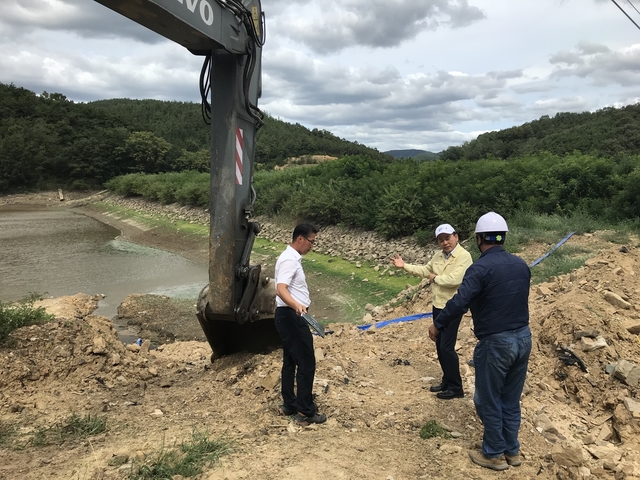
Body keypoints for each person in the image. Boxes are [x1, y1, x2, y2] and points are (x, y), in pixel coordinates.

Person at [429, 212, 531, 471]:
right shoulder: (520, 264)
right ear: (503, 237)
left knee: (487, 398)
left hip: (496, 342)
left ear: (477, 239)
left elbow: (460, 301)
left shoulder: (480, 268)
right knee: (510, 398)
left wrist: (438, 324)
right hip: (523, 337)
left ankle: (494, 453)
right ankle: (512, 451)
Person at [391, 223, 472, 400]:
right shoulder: (437, 256)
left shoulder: (464, 256)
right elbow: (424, 270)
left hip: (452, 307)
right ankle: (447, 380)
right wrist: (404, 266)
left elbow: (455, 279)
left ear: (456, 237)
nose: (445, 243)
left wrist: (435, 278)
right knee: (439, 344)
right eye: (441, 240)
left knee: (446, 347)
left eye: (447, 238)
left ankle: (456, 387)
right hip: (438, 305)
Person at [274, 223, 327, 426]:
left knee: (290, 361)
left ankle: (290, 404)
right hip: (292, 317)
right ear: (300, 239)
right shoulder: (289, 260)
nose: (312, 246)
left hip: (287, 316)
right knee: (306, 362)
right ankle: (305, 412)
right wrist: (296, 305)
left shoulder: (289, 257)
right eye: (311, 241)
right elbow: (281, 289)